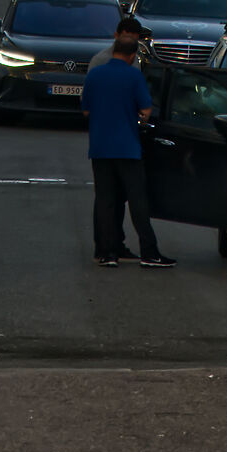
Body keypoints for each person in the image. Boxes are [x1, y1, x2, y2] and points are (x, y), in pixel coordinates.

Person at [80, 23, 174, 268]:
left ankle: (107, 252)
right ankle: (149, 251)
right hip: (127, 147)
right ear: (132, 55)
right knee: (137, 200)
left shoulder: (95, 73)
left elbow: (86, 109)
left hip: (100, 147)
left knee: (105, 200)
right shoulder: (133, 75)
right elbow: (145, 109)